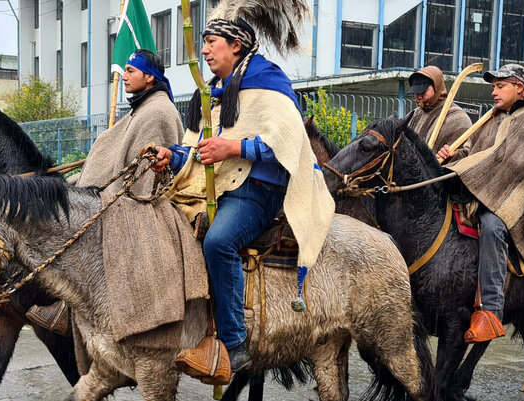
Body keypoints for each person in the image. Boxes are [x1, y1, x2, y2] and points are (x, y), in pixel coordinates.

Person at [152, 16, 334, 371]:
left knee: (219, 242)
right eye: (202, 43)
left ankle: (234, 343)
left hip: (258, 191)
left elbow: (288, 143)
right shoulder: (213, 91)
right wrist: (170, 156)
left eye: (211, 43)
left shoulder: (269, 80)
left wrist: (232, 147)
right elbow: (195, 148)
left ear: (235, 46)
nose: (203, 50)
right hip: (216, 188)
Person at [436, 64, 524, 343]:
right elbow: (477, 155)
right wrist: (454, 157)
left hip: (521, 202)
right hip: (483, 194)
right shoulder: (491, 118)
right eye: (493, 86)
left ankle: (490, 311)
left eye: (500, 86)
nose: (494, 92)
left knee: (492, 226)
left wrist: (495, 179)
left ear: (520, 88)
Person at [74, 49, 183, 196]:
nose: (124, 77)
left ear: (149, 76)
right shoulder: (144, 105)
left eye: (130, 71)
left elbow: (147, 177)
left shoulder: (157, 110)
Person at [406, 66, 472, 160]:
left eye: (422, 92)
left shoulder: (458, 119)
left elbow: (467, 157)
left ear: (436, 87)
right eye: (415, 93)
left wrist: (453, 155)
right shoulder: (414, 115)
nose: (418, 97)